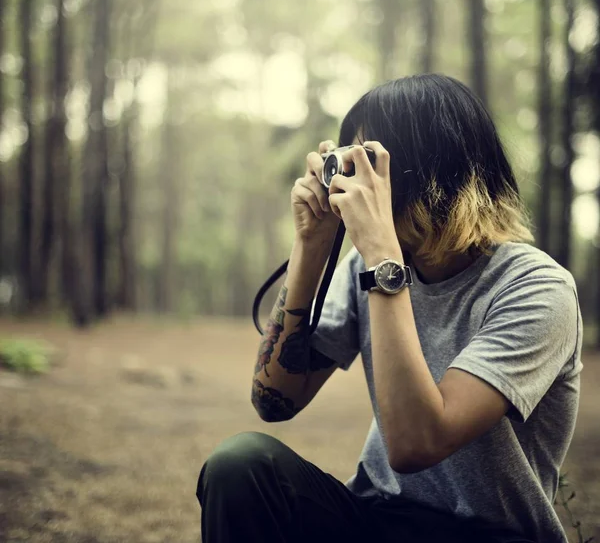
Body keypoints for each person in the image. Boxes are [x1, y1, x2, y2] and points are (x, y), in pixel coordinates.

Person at [197, 74, 583, 543]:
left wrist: (382, 257)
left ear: (429, 169)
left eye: (369, 164)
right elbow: (275, 401)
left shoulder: (536, 288)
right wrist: (310, 247)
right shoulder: (368, 262)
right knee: (242, 465)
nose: (352, 184)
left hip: (489, 533)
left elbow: (417, 443)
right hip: (377, 516)